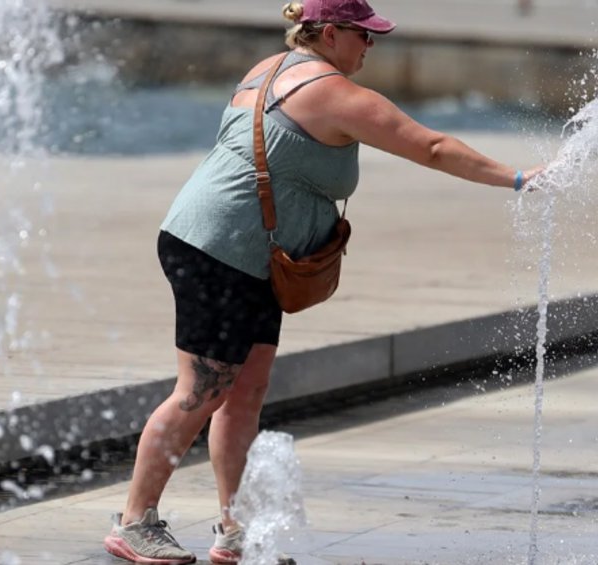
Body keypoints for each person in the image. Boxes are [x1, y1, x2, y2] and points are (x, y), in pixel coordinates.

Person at [103, 0, 545, 563]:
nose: (371, 46)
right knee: (204, 389)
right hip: (218, 249)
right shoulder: (332, 94)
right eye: (365, 35)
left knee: (246, 393)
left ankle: (236, 529)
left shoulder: (269, 68)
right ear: (332, 33)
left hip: (250, 254)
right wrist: (516, 178)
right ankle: (136, 521)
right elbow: (430, 146)